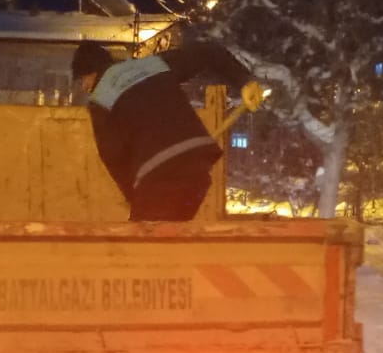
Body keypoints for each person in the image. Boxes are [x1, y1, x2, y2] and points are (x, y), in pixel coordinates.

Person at [72, 38, 264, 221]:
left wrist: (134, 198)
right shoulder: (153, 64)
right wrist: (245, 81)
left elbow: (113, 156)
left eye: (83, 80)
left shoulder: (100, 99)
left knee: (145, 244)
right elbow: (208, 51)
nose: (85, 87)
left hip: (158, 177)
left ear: (91, 72)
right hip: (197, 165)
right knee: (170, 237)